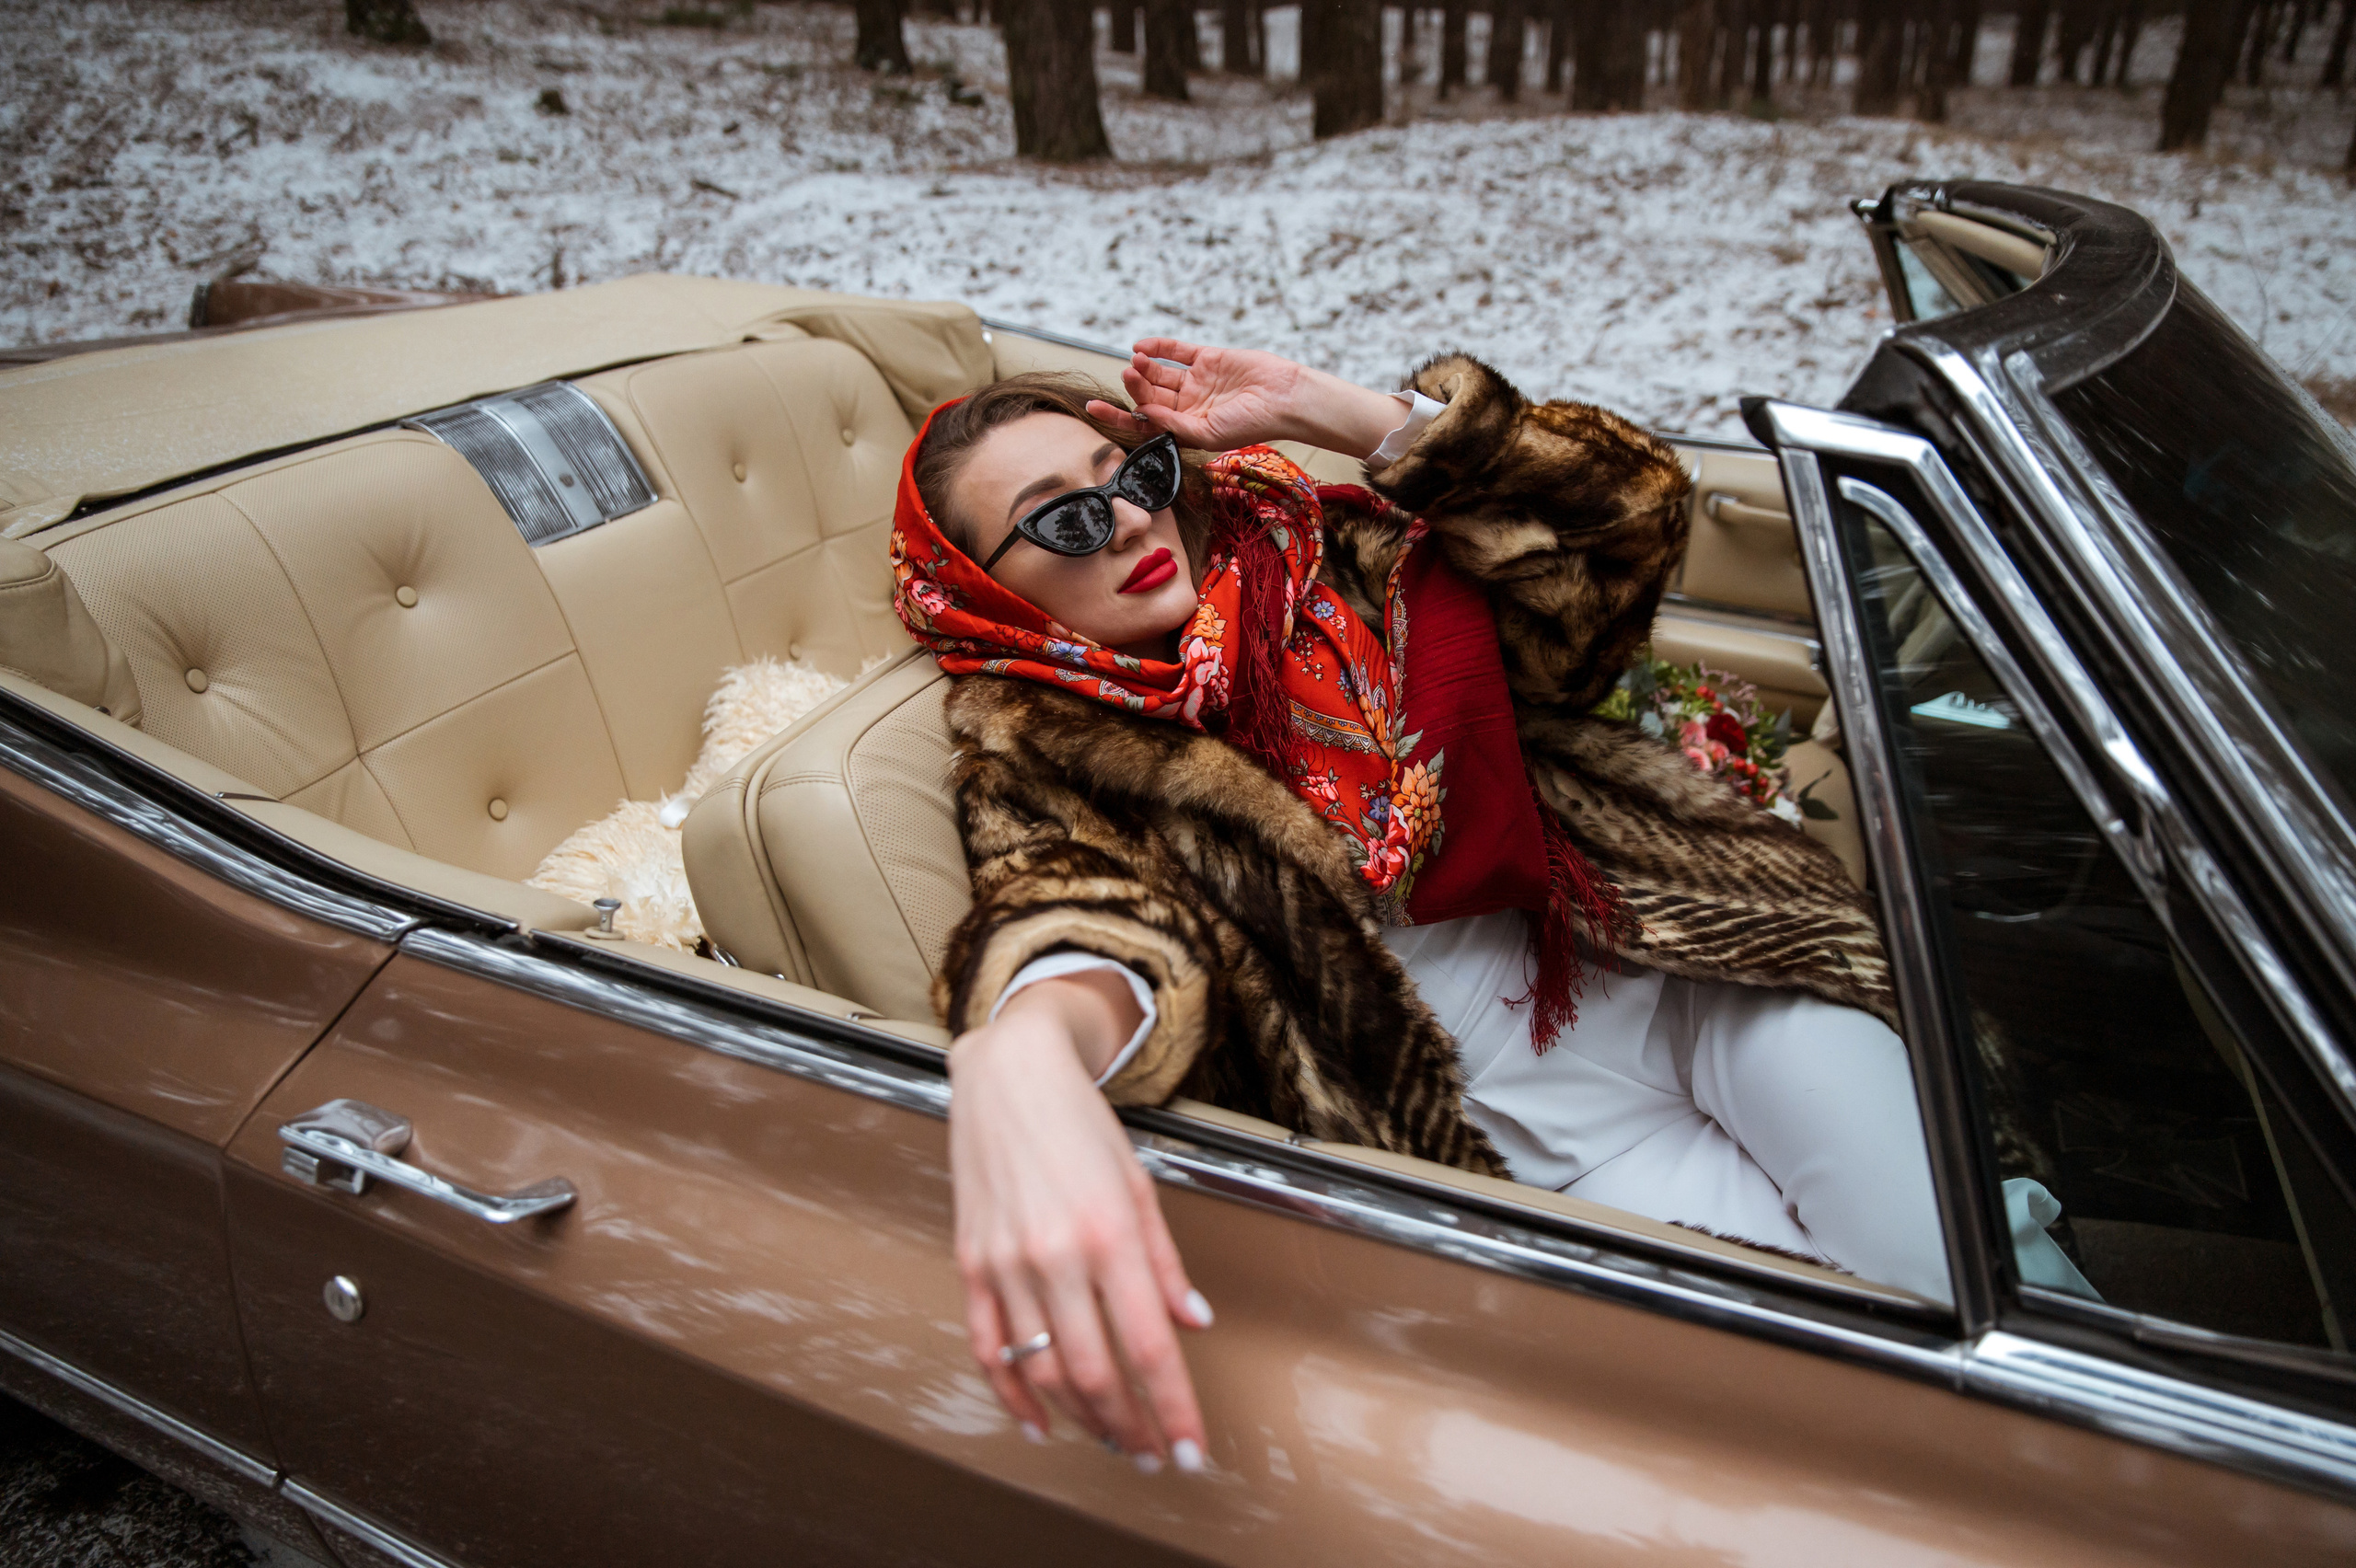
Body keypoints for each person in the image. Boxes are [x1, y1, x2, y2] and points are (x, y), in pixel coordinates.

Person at [886, 340, 1946, 1477]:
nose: (1132, 522)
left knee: (1952, 1278)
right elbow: (1081, 918)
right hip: (1535, 1150)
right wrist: (1024, 1053)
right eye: (1064, 521)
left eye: (1134, 476)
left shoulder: (1325, 549)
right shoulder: (1036, 756)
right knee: (1861, 1414)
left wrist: (1328, 409)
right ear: (982, 587)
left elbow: (1622, 525)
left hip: (1692, 971)